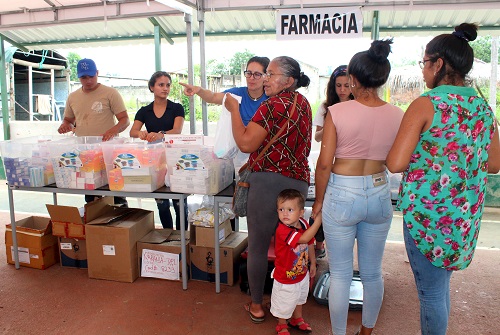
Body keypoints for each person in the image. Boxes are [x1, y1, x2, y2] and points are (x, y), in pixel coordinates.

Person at [386, 23, 500, 335]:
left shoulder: (427, 103)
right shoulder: (483, 108)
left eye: (424, 63)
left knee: (431, 294)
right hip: (463, 218)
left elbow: (395, 162)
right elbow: (494, 164)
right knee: (440, 288)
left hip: (429, 218)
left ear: (438, 64)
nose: (423, 71)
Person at [311, 39, 404, 335]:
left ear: (353, 79)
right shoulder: (398, 114)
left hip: (343, 192)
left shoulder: (338, 113)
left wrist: (318, 202)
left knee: (339, 274)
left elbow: (324, 164)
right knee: (372, 272)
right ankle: (367, 332)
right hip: (379, 190)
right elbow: (395, 160)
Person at [224, 56, 312, 323]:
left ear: (288, 80)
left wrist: (233, 111)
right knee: (292, 243)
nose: (264, 79)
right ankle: (292, 304)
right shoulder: (305, 104)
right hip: (297, 183)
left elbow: (246, 144)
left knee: (259, 246)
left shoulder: (271, 105)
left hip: (267, 182)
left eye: (270, 74)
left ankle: (257, 305)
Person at [58, 58, 130, 207]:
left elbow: (125, 120)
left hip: (108, 152)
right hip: (85, 153)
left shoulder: (110, 93)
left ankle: (123, 226)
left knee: (116, 194)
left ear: (97, 73)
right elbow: (69, 120)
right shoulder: (73, 97)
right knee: (91, 196)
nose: (88, 80)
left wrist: (113, 130)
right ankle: (96, 227)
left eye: (91, 76)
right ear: (78, 77)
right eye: (84, 77)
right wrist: (65, 125)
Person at [129, 71, 188, 230]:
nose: (165, 88)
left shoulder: (177, 108)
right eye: (161, 85)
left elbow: (177, 130)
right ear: (151, 87)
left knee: (179, 203)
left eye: (168, 85)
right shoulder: (144, 111)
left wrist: (161, 134)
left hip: (174, 159)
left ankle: (182, 238)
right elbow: (132, 132)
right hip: (155, 161)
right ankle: (168, 237)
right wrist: (142, 134)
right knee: (162, 203)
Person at [311, 64, 354, 260]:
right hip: (328, 164)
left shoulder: (358, 106)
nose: (343, 90)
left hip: (348, 167)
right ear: (333, 86)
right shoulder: (325, 107)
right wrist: (331, 125)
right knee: (321, 204)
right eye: (338, 85)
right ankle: (319, 244)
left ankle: (342, 246)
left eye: (347, 85)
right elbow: (318, 137)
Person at [271, 189, 322, 335]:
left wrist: (312, 262)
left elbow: (310, 243)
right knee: (284, 301)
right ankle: (281, 324)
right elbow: (304, 239)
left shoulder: (304, 224)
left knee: (300, 297)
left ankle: (296, 318)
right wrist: (318, 222)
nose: (285, 213)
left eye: (290, 209)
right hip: (285, 276)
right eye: (281, 209)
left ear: (300, 212)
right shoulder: (283, 230)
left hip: (301, 273)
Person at [180, 56, 270, 126]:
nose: (251, 78)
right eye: (249, 73)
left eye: (257, 74)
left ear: (266, 76)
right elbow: (213, 97)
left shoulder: (272, 99)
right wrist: (199, 90)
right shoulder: (237, 94)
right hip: (239, 147)